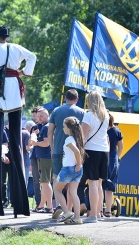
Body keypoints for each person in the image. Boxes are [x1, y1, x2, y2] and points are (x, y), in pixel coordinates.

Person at [0, 25, 36, 217]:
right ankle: (20, 204)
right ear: (7, 37)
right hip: (13, 89)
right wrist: (26, 71)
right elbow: (32, 57)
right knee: (15, 138)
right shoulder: (17, 48)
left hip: (0, 87)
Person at [48, 89, 84, 219]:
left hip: (59, 149)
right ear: (77, 98)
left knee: (57, 180)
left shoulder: (56, 111)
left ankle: (60, 207)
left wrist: (52, 148)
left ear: (65, 98)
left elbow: (50, 132)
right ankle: (69, 209)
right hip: (77, 154)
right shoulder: (81, 112)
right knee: (72, 187)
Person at [79, 90, 109, 223]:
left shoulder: (89, 115)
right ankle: (98, 213)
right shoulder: (106, 115)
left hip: (92, 151)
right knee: (99, 184)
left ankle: (92, 216)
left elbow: (82, 135)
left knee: (92, 183)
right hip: (104, 151)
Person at [54, 117, 84, 225]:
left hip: (68, 169)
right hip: (78, 169)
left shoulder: (69, 140)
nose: (63, 129)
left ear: (69, 128)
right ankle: (77, 218)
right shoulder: (78, 139)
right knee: (73, 193)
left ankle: (66, 212)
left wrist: (79, 163)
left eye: (64, 126)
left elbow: (76, 152)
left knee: (57, 190)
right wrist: (79, 165)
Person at [31, 108, 53, 213]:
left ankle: (49, 206)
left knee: (45, 182)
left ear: (47, 116)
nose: (39, 118)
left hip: (45, 157)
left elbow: (46, 143)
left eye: (42, 116)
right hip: (43, 157)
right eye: (38, 116)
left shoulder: (46, 127)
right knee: (44, 182)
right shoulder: (43, 127)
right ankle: (41, 205)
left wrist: (35, 143)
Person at [103, 112, 123, 217]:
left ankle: (99, 210)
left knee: (100, 185)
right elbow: (121, 148)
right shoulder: (117, 131)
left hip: (103, 159)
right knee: (109, 187)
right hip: (113, 159)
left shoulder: (101, 131)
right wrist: (117, 158)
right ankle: (108, 211)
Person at [29, 106, 43, 210]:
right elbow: (30, 143)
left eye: (36, 116)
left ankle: (48, 202)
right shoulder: (34, 127)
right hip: (34, 156)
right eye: (34, 116)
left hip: (43, 156)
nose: (35, 118)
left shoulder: (46, 126)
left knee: (45, 180)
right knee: (35, 180)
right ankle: (39, 203)